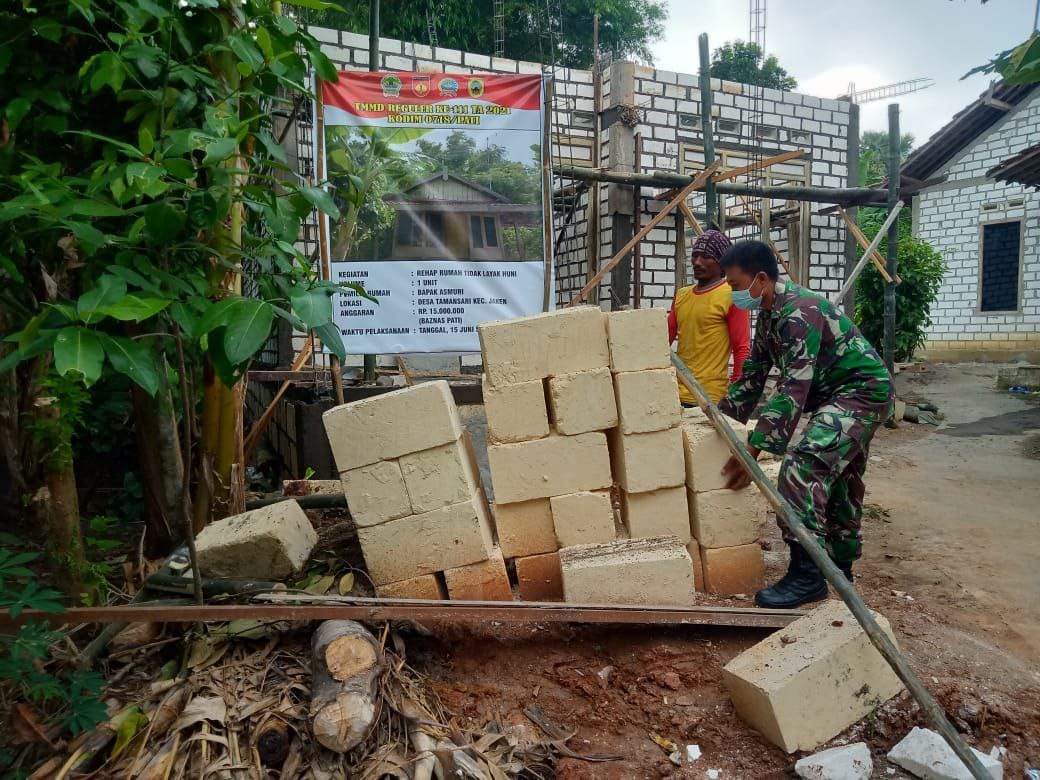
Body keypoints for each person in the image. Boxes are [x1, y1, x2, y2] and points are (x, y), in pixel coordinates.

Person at [716, 240, 894, 609]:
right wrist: (720, 419)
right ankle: (839, 569)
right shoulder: (768, 314)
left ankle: (808, 575)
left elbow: (792, 387)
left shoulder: (799, 310)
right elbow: (753, 373)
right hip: (837, 396)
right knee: (841, 478)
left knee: (804, 467)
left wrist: (752, 451)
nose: (733, 295)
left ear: (760, 278)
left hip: (861, 392)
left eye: (734, 286)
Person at [668, 230, 751, 404]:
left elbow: (742, 348)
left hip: (709, 398)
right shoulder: (682, 295)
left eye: (706, 256)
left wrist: (736, 394)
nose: (697, 262)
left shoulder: (733, 296)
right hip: (673, 392)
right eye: (694, 256)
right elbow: (663, 341)